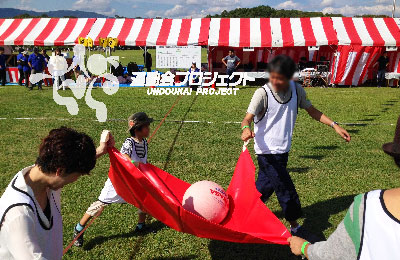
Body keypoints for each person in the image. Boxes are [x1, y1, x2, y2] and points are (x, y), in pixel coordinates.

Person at [241, 55, 351, 239]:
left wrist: (335, 125)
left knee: (264, 187)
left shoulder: (296, 90)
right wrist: (246, 129)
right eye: (273, 76)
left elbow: (312, 111)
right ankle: (295, 226)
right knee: (285, 188)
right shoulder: (262, 93)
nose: (275, 81)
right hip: (266, 152)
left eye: (280, 78)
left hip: (283, 150)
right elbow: (247, 118)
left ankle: (242, 211)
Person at [288, 115, 400, 259]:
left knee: (281, 192)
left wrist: (304, 247)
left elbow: (331, 255)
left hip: (279, 158)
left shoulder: (368, 207)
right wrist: (247, 125)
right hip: (268, 157)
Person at [0, 127, 115, 259]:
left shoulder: (43, 174)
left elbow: (68, 162)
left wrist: (101, 150)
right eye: (77, 175)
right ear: (60, 172)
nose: (75, 179)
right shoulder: (19, 214)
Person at [73, 112, 153, 247]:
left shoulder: (144, 142)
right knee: (100, 205)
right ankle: (78, 229)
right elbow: (124, 158)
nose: (149, 129)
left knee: (143, 200)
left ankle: (141, 225)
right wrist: (136, 165)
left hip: (135, 180)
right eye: (146, 126)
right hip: (119, 181)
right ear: (138, 129)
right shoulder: (129, 142)